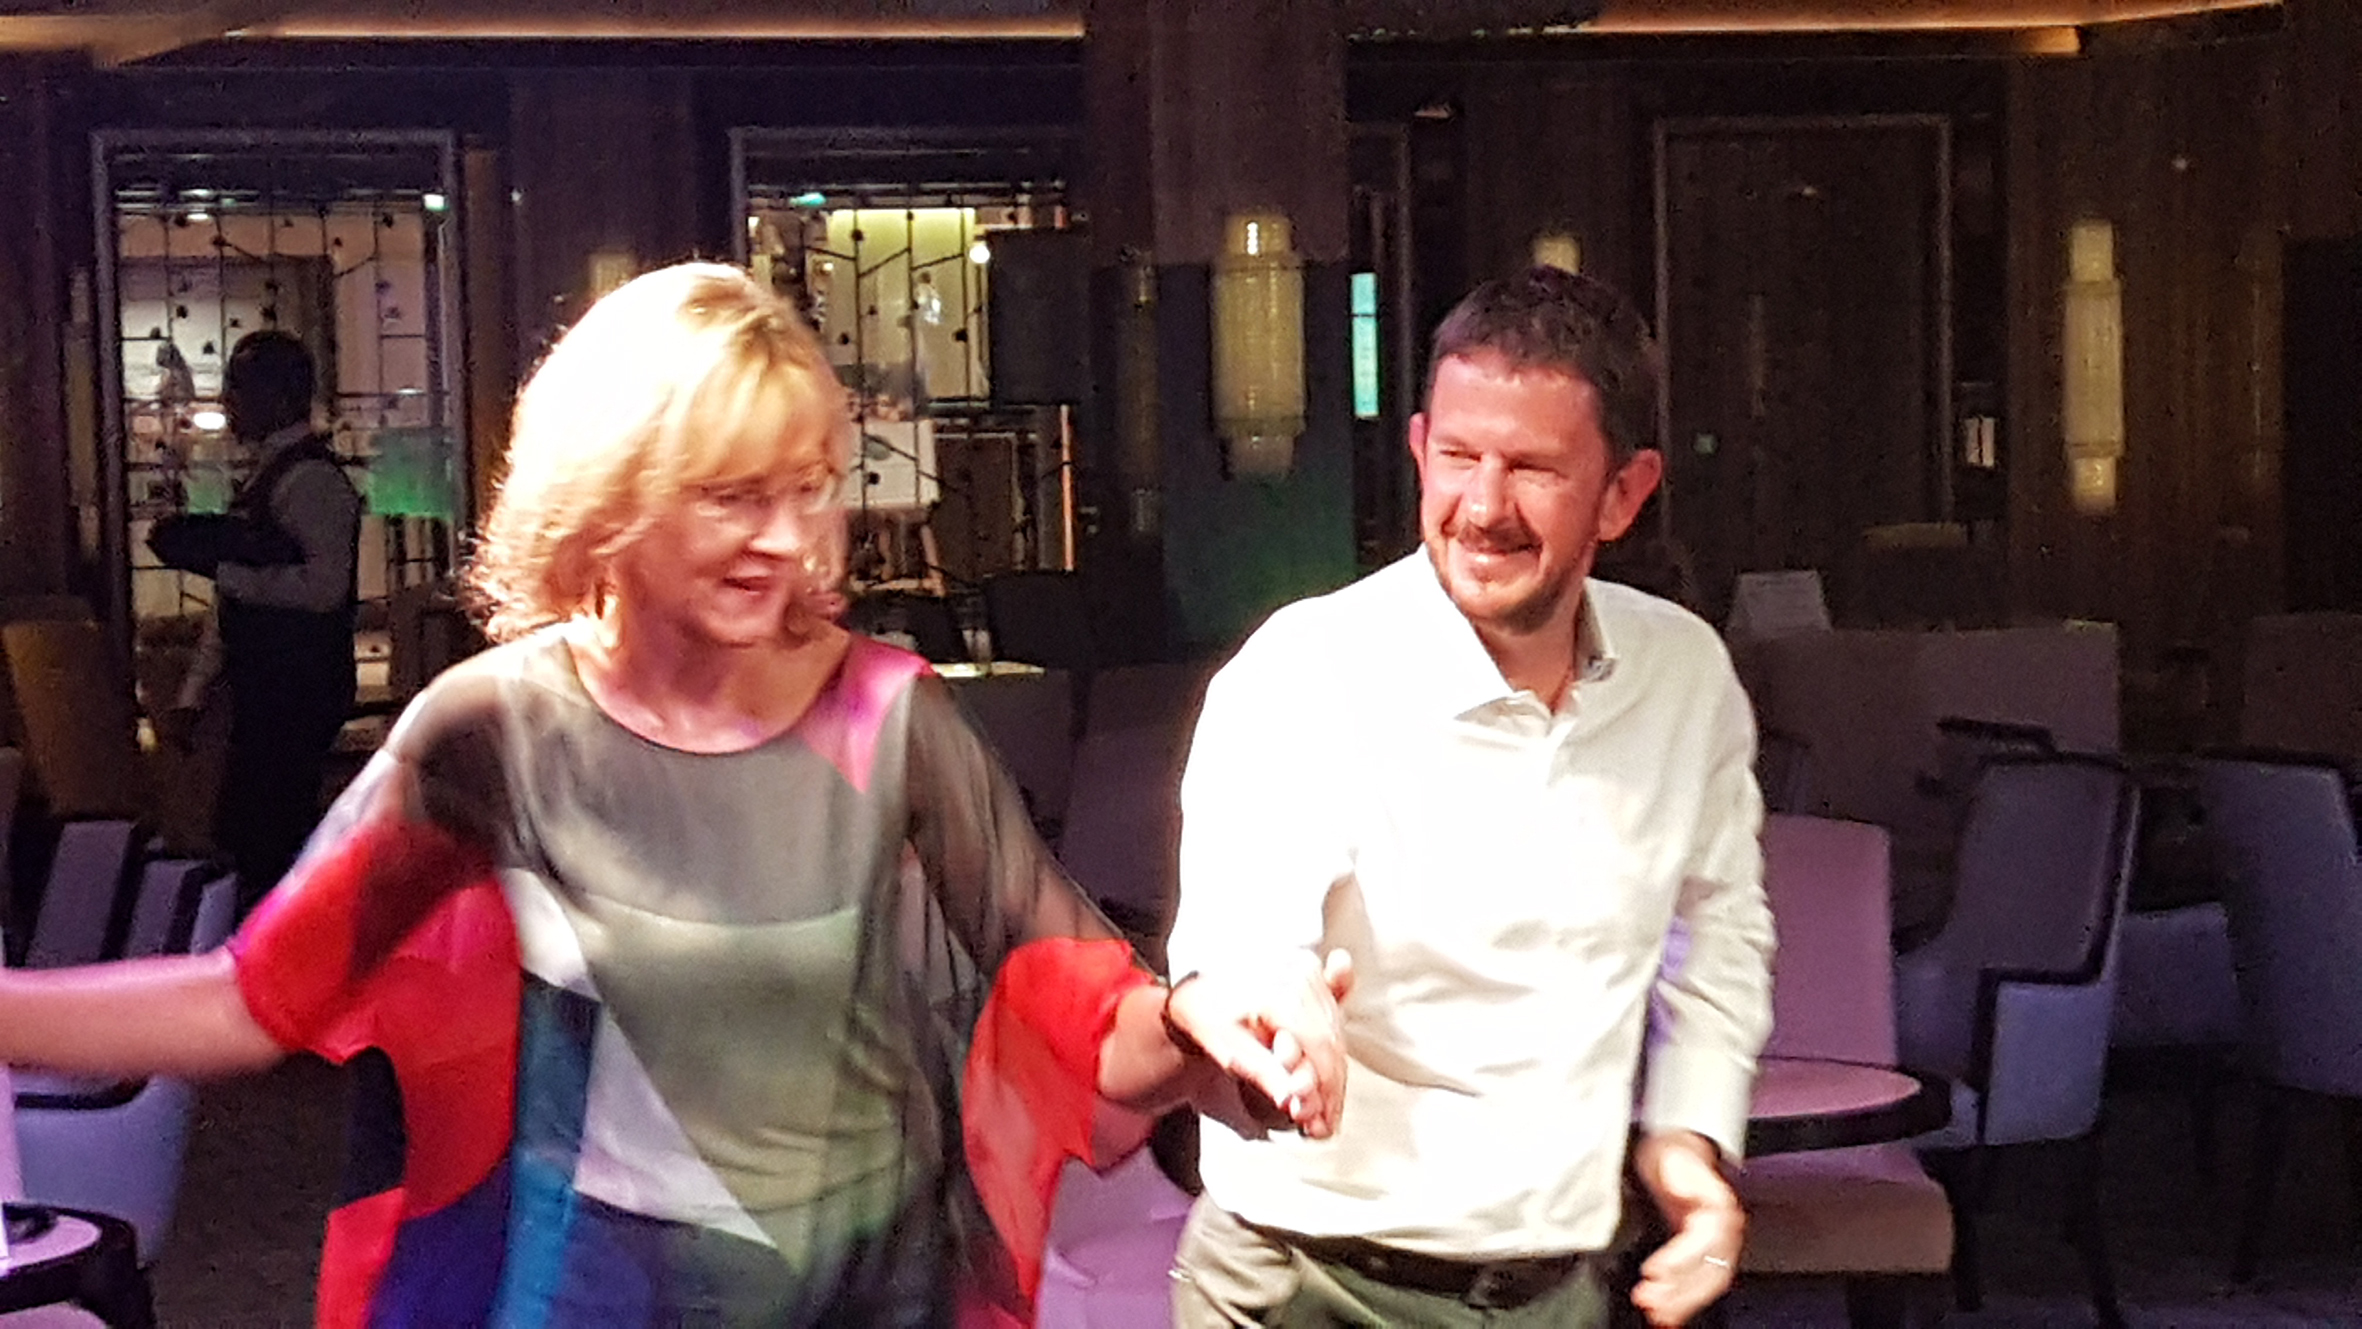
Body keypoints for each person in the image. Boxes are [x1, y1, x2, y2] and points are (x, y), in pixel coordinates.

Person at [4, 263, 1348, 1327]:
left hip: (864, 1299)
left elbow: (1082, 1009)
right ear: (612, 498)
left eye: (810, 492)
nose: (787, 539)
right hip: (595, 1293)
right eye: (733, 497)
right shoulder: (496, 732)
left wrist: (1204, 1028)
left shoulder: (887, 721)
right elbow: (256, 998)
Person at [1164, 267, 1776, 1328]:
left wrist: (1688, 1136)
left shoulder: (1684, 676)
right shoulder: (1305, 670)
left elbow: (1718, 932)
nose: (1483, 508)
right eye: (1457, 457)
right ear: (1418, 450)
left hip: (1560, 1286)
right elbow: (1242, 931)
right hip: (1305, 1285)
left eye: (1532, 468)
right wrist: (1273, 1009)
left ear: (1623, 493)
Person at [150, 330, 363, 910]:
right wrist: (195, 690)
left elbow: (325, 589)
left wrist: (229, 572)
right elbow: (233, 608)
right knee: (255, 832)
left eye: (240, 388)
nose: (229, 403)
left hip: (299, 689)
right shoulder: (276, 474)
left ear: (281, 397)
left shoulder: (312, 481)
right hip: (269, 689)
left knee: (272, 836)